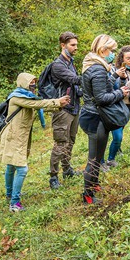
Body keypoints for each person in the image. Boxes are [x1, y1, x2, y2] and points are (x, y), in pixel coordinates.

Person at [0, 73, 70, 212]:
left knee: (11, 166)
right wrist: (57, 101)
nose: (33, 85)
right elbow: (37, 104)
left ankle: (9, 194)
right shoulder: (17, 97)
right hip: (13, 136)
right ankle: (14, 203)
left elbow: (39, 106)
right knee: (21, 168)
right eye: (31, 82)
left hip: (20, 136)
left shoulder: (28, 97)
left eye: (34, 82)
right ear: (23, 83)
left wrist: (59, 105)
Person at [79, 34, 130, 205]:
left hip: (91, 114)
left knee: (98, 155)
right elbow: (101, 98)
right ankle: (88, 195)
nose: (113, 54)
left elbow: (100, 88)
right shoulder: (98, 69)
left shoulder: (92, 65)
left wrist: (115, 79)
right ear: (102, 50)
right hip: (95, 117)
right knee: (94, 159)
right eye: (111, 50)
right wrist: (120, 93)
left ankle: (94, 185)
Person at [48, 31, 83, 190]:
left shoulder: (70, 62)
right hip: (62, 109)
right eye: (72, 45)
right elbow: (74, 79)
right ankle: (53, 177)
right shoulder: (58, 65)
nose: (76, 47)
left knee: (71, 140)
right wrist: (95, 75)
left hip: (74, 106)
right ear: (63, 45)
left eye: (76, 44)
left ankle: (67, 169)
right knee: (61, 143)